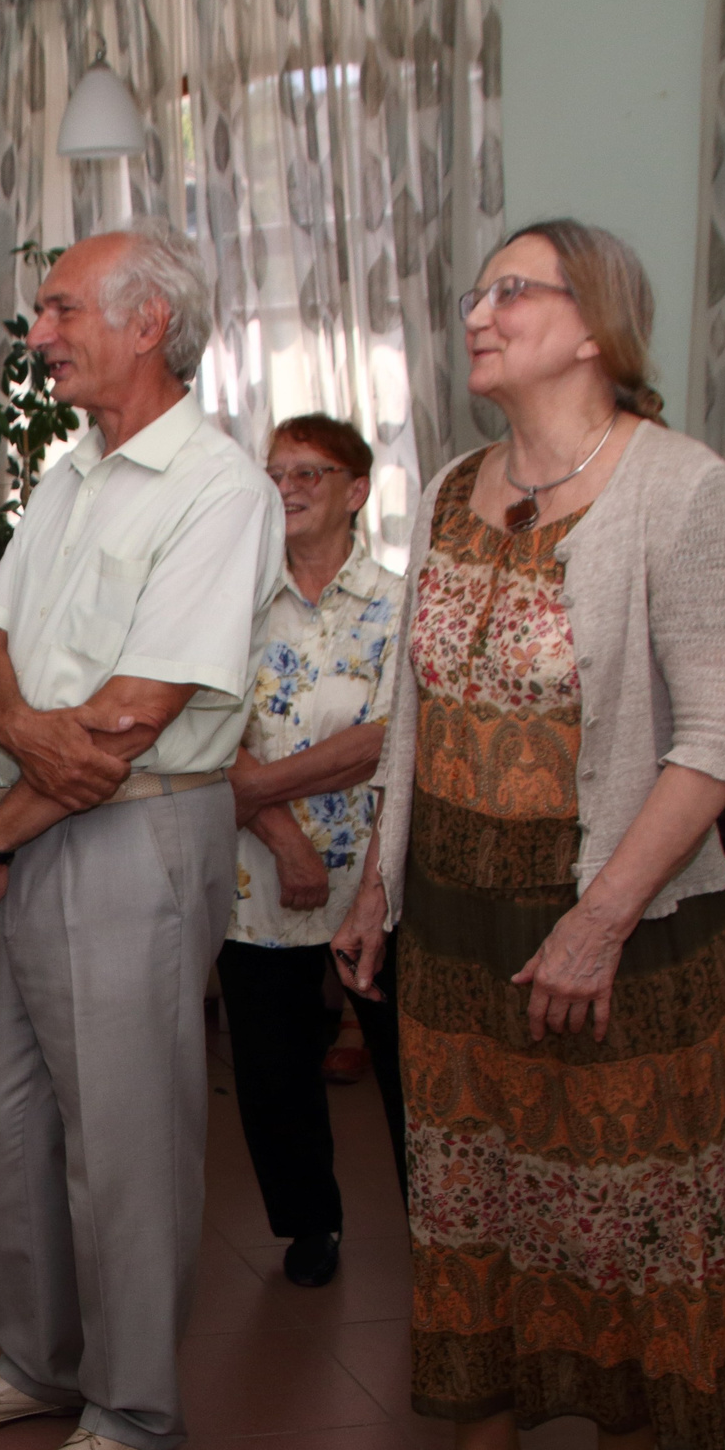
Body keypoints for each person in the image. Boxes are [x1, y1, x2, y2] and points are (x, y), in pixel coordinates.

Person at [330, 220, 725, 1450]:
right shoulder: (456, 486)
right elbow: (416, 714)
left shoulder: (679, 490)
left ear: (595, 326)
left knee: (621, 1214)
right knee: (465, 1199)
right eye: (476, 289)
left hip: (617, 926)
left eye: (514, 288)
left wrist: (600, 918)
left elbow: (722, 738)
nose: (479, 309)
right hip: (453, 926)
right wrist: (375, 877)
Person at [0, 222, 282, 1450]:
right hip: (43, 815)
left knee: (125, 1140)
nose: (39, 332)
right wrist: (23, 765)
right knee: (6, 1119)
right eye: (40, 311)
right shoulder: (72, 472)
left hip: (141, 827)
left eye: (64, 308)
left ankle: (132, 1406)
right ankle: (36, 1360)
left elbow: (135, 716)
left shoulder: (220, 486)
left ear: (147, 322)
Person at [217, 414, 407, 1289]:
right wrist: (282, 831)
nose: (287, 487)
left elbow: (389, 739)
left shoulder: (401, 603)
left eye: (311, 472)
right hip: (260, 874)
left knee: (409, 1067)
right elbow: (209, 728)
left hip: (380, 877)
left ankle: (442, 1231)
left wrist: (257, 787)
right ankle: (309, 1225)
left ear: (357, 490)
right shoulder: (235, 601)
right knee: (271, 1069)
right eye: (277, 471)